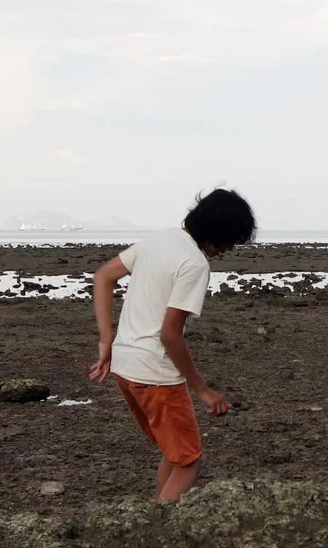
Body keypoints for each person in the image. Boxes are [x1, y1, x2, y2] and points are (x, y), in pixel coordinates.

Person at [86, 188, 257, 503]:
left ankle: (158, 515)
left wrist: (107, 340)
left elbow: (102, 278)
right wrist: (204, 390)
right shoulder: (194, 263)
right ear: (217, 233)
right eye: (232, 240)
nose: (231, 249)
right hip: (156, 375)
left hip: (125, 367)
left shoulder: (157, 241)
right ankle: (158, 530)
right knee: (190, 462)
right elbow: (170, 335)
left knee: (174, 452)